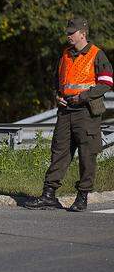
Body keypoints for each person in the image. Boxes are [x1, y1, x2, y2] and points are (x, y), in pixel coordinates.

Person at [25, 17, 113, 212]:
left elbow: (106, 83)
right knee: (59, 152)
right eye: (67, 32)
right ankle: (48, 195)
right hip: (65, 112)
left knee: (86, 154)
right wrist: (57, 96)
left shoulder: (97, 55)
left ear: (83, 33)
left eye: (72, 33)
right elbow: (58, 82)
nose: (68, 36)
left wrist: (84, 96)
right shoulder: (64, 54)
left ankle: (82, 197)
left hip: (86, 112)